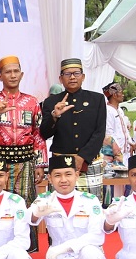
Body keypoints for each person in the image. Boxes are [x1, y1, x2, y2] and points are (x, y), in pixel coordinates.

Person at [0, 55, 48, 259]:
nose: (12, 75)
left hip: (26, 160)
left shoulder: (32, 102)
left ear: (22, 74)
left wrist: (40, 163)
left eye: (16, 71)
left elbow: (38, 134)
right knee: (1, 207)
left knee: (25, 206)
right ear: (0, 76)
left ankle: (25, 255)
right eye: (7, 72)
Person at [40, 58, 106, 201]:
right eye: (67, 74)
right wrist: (54, 116)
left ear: (83, 76)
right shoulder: (51, 102)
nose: (72, 77)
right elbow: (44, 134)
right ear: (60, 79)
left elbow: (100, 132)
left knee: (91, 205)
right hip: (61, 163)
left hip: (89, 161)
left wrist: (83, 157)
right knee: (59, 206)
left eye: (76, 73)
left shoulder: (97, 99)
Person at [103, 82, 134, 165]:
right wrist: (117, 151)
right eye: (121, 93)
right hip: (115, 153)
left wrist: (130, 142)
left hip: (125, 151)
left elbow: (125, 130)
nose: (123, 95)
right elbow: (109, 134)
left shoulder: (119, 110)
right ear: (114, 95)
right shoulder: (108, 111)